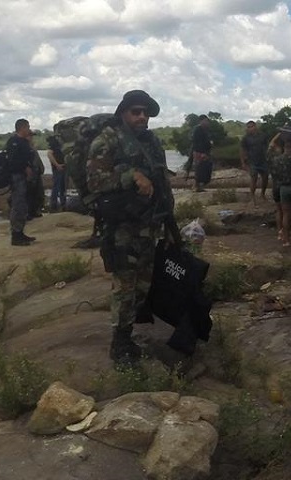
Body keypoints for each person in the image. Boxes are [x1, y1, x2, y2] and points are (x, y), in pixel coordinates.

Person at [86, 90, 174, 365]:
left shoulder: (151, 141)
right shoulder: (107, 141)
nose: (142, 117)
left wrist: (170, 219)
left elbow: (161, 179)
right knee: (124, 285)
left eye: (145, 112)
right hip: (123, 228)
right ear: (123, 112)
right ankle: (120, 343)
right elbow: (95, 181)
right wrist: (130, 175)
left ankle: (130, 334)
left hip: (151, 225)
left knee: (143, 286)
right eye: (136, 111)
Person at [5, 119, 36, 246]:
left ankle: (20, 232)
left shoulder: (24, 142)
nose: (29, 129)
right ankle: (16, 235)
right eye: (27, 127)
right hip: (17, 177)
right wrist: (25, 168)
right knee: (18, 205)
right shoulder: (14, 142)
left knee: (23, 205)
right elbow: (13, 161)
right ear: (22, 128)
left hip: (23, 178)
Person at [270, 137, 291, 247]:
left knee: (285, 214)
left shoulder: (277, 160)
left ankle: (285, 239)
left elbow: (275, 174)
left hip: (283, 188)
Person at [240, 121, 270, 204]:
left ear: (255, 126)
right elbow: (243, 150)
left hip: (263, 160)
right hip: (252, 161)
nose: (250, 129)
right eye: (248, 127)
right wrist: (243, 162)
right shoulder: (245, 138)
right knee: (254, 178)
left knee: (265, 178)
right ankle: (252, 196)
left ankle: (262, 194)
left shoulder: (263, 135)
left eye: (251, 126)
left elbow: (268, 146)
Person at [191, 115, 213, 192]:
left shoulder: (207, 130)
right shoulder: (197, 130)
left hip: (206, 152)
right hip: (199, 152)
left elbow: (208, 140)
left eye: (207, 121)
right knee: (199, 169)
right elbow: (195, 142)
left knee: (206, 169)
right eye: (205, 120)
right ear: (201, 121)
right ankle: (196, 186)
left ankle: (201, 186)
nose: (207, 122)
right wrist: (201, 152)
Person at [47, 135, 67, 212]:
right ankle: (53, 205)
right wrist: (57, 165)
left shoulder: (62, 144)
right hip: (58, 168)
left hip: (63, 167)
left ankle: (63, 205)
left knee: (62, 187)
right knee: (56, 187)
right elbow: (49, 154)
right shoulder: (54, 143)